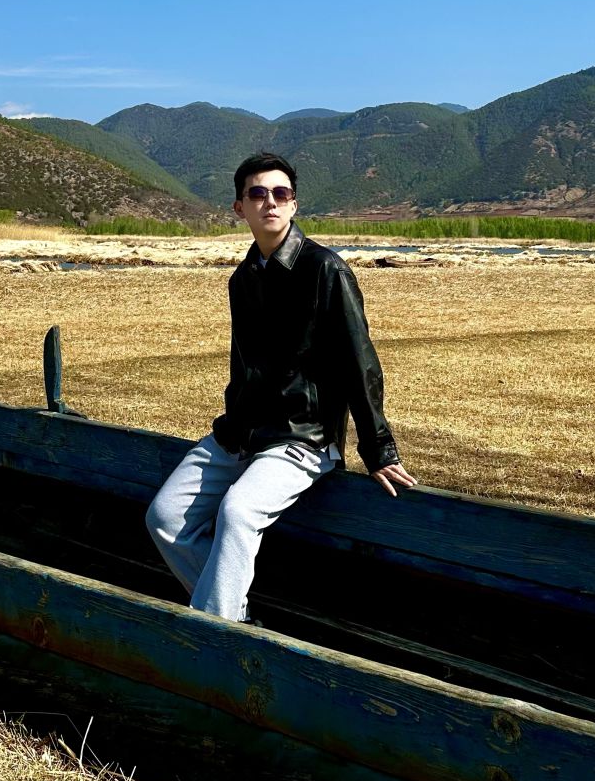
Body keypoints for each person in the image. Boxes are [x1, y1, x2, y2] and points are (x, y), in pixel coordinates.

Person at [145, 151, 417, 622]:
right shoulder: (243, 278)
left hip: (302, 435)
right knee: (165, 518)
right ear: (239, 208)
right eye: (257, 193)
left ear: (294, 205)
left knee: (238, 512)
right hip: (241, 433)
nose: (269, 201)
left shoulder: (325, 270)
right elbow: (244, 366)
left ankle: (217, 638)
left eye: (281, 193)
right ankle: (236, 618)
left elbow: (360, 363)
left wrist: (379, 449)